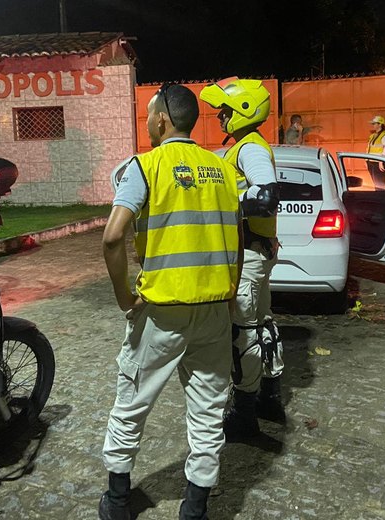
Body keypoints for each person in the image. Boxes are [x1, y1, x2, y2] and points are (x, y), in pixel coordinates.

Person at [99, 83, 242, 520]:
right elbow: (234, 237)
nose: (146, 121)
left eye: (148, 114)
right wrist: (230, 293)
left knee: (132, 404)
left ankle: (119, 502)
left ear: (161, 119)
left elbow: (112, 236)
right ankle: (195, 507)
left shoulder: (145, 167)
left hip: (162, 313)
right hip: (214, 309)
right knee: (208, 409)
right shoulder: (221, 169)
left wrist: (126, 297)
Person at [200, 77, 286, 438]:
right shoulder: (248, 145)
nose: (220, 116)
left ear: (242, 112)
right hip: (258, 252)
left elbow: (266, 194)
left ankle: (246, 413)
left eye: (225, 110)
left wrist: (227, 205)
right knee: (263, 321)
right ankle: (270, 395)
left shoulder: (249, 148)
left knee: (245, 331)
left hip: (248, 255)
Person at [366, 115, 385, 190]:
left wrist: (381, 161)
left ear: (380, 124)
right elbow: (368, 148)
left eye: (374, 123)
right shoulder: (372, 136)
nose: (373, 125)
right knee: (376, 183)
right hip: (371, 162)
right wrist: (366, 160)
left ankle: (381, 197)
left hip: (378, 163)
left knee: (380, 184)